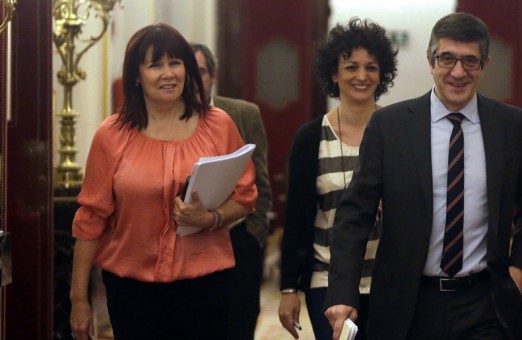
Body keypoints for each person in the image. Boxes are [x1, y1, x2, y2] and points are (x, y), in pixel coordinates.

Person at [324, 12, 522, 340]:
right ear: (430, 61)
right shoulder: (391, 127)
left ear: (485, 64)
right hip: (408, 304)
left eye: (470, 61)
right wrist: (343, 292)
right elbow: (355, 215)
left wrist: (518, 268)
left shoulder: (510, 126)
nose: (458, 72)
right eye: (447, 59)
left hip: (485, 303)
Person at [69, 23, 257, 340]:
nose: (168, 73)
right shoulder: (111, 135)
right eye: (155, 64)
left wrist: (210, 218)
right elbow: (90, 220)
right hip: (132, 291)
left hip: (204, 285)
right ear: (136, 76)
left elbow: (246, 196)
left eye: (175, 62)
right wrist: (78, 300)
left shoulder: (217, 125)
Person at [278, 18, 397, 340]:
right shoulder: (310, 137)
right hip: (326, 282)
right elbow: (298, 218)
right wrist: (289, 288)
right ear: (334, 73)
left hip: (390, 281)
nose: (362, 76)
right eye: (351, 67)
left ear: (382, 73)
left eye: (371, 67)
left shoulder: (400, 132)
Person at [190, 42, 273, 340]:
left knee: (239, 323)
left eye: (199, 71)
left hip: (238, 238)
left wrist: (254, 235)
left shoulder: (243, 114)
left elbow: (260, 182)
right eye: (187, 71)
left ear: (213, 74)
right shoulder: (167, 119)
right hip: (189, 244)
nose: (193, 79)